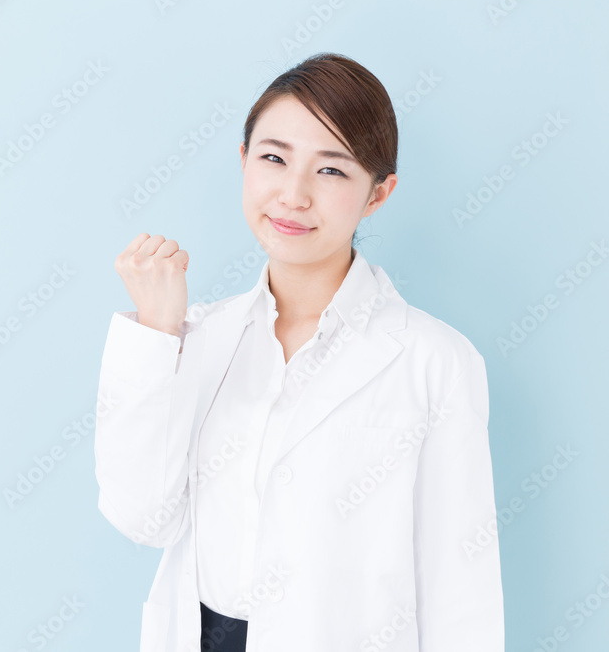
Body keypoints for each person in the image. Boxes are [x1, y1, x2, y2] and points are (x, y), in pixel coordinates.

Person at [93, 52, 504, 652]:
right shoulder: (196, 339)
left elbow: (460, 588)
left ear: (378, 193)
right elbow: (143, 519)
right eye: (273, 158)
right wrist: (157, 332)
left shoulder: (434, 361)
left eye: (332, 171)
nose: (292, 194)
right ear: (243, 162)